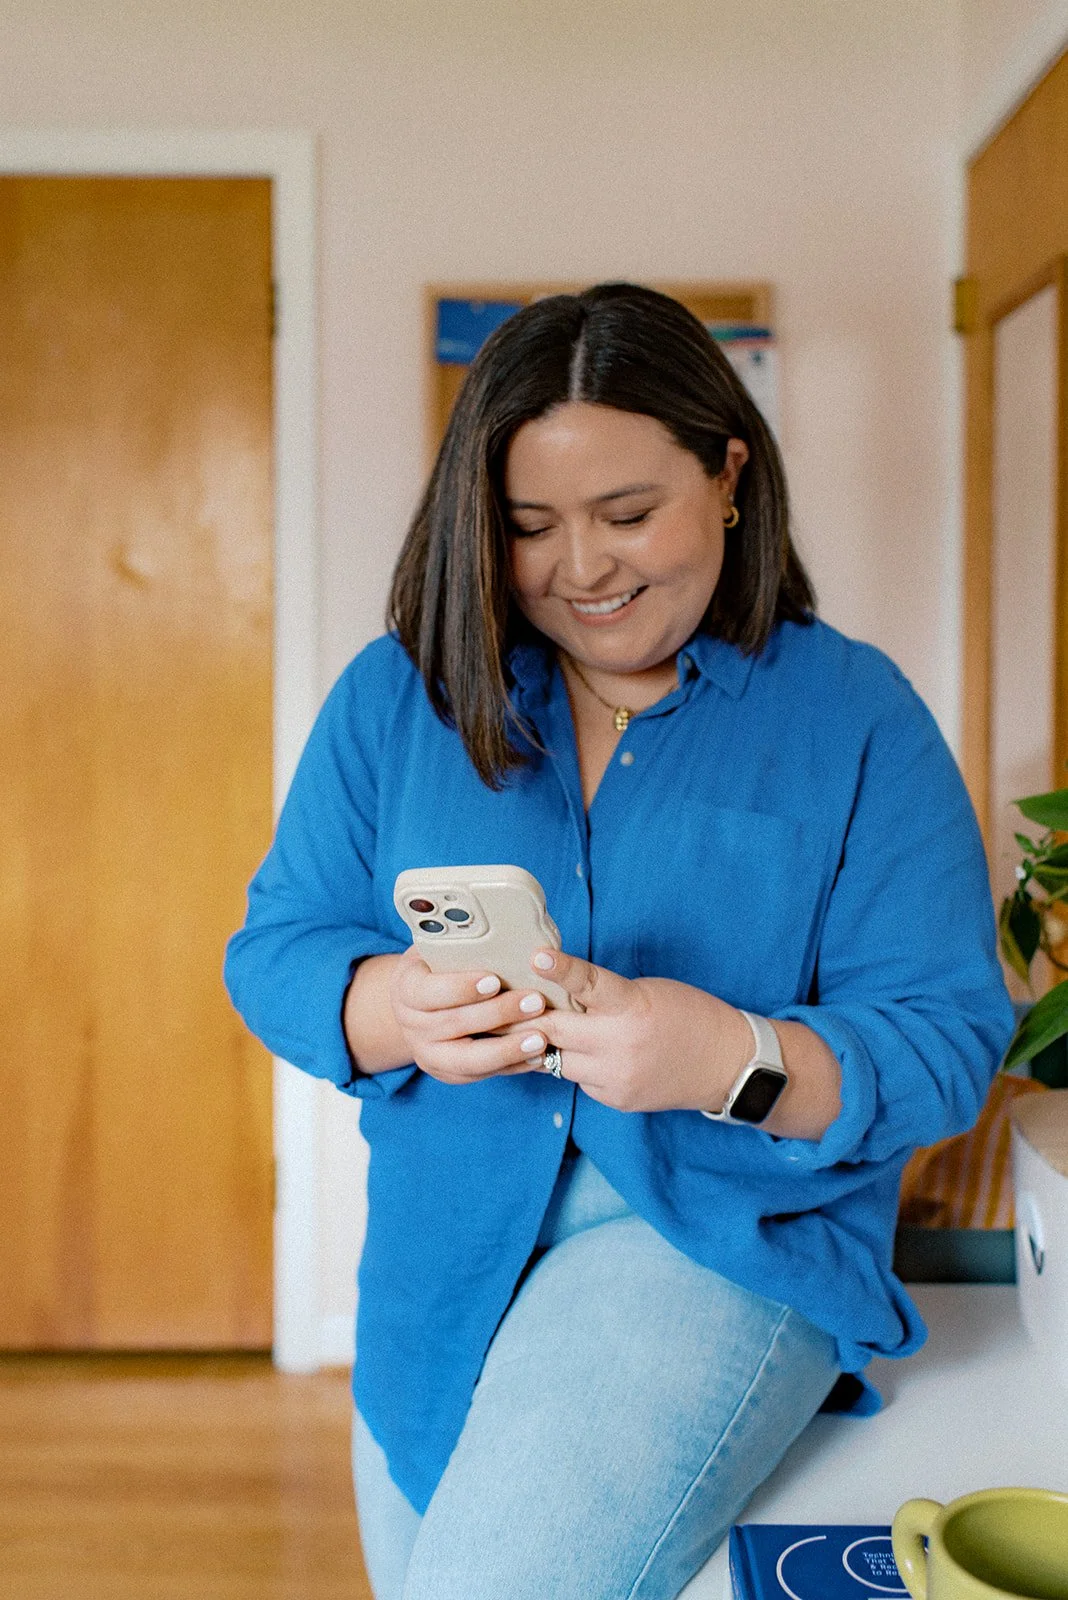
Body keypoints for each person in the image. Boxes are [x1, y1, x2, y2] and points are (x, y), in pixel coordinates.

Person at [224, 283, 1014, 1600]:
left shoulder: (856, 717)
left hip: (719, 1239)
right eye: (528, 528)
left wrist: (731, 1058)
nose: (580, 569)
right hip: (437, 1264)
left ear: (729, 475)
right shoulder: (399, 696)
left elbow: (944, 1040)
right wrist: (390, 1008)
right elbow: (278, 946)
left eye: (628, 514)